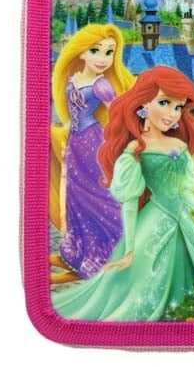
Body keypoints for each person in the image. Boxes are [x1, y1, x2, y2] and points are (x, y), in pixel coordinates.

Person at [52, 66, 194, 321]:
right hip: (154, 223)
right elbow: (130, 202)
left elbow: (182, 191)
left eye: (178, 107)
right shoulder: (135, 149)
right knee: (147, 282)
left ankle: (188, 315)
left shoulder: (178, 144)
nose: (172, 113)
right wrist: (130, 248)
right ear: (143, 103)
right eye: (164, 103)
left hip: (184, 223)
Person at [49, 24, 134, 283]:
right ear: (82, 52)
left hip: (94, 143)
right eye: (96, 51)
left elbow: (118, 111)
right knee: (76, 195)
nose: (103, 58)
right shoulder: (73, 79)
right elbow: (72, 112)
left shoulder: (102, 84)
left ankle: (108, 252)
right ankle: (82, 251)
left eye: (109, 52)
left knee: (100, 195)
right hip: (75, 143)